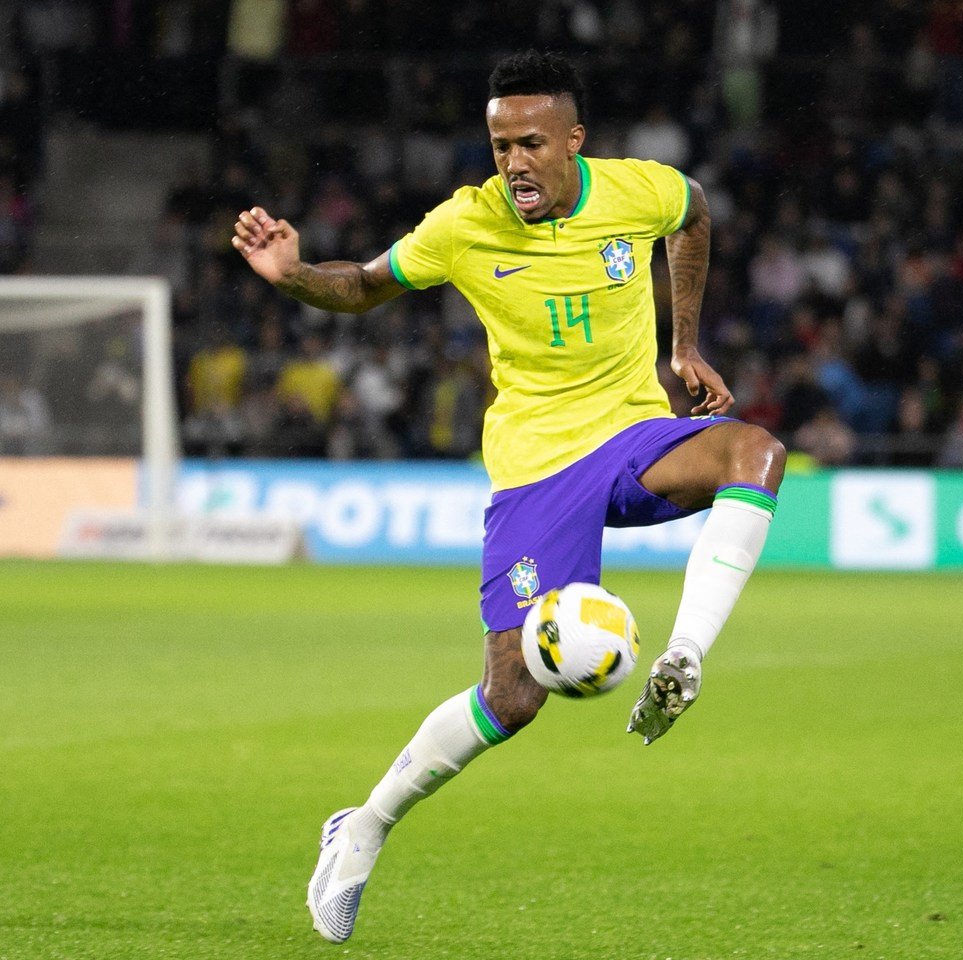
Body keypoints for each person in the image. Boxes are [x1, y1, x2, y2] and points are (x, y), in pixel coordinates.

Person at [232, 50, 786, 944]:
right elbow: (367, 285)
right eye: (500, 147)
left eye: (531, 143)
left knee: (754, 451)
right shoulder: (465, 223)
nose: (514, 163)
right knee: (515, 695)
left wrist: (683, 345)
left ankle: (683, 656)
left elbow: (694, 216)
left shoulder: (637, 190)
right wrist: (294, 276)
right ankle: (363, 824)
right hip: (536, 466)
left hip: (634, 435)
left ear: (574, 140)